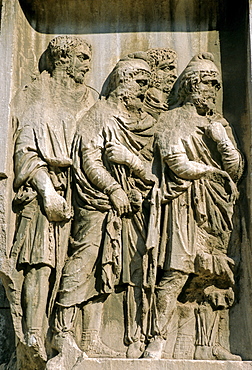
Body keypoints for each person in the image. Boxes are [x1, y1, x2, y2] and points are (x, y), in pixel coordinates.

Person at [48, 57, 159, 367]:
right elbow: (90, 160)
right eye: (140, 83)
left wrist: (131, 182)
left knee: (105, 270)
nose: (144, 90)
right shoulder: (99, 116)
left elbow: (148, 170)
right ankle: (61, 331)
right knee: (85, 261)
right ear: (123, 82)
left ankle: (90, 339)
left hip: (124, 208)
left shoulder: (138, 121)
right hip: (96, 203)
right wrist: (113, 188)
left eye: (147, 84)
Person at [143, 52, 244, 360]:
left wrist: (223, 142)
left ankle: (207, 346)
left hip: (217, 205)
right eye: (209, 83)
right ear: (192, 84)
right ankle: (156, 340)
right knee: (177, 272)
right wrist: (209, 170)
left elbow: (237, 169)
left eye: (216, 84)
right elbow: (174, 160)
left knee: (214, 277)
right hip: (183, 203)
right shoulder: (172, 119)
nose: (214, 90)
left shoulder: (218, 123)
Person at [11, 35, 96, 362]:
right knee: (41, 261)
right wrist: (47, 192)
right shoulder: (37, 97)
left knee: (77, 263)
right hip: (44, 190)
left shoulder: (88, 100)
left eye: (89, 59)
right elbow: (26, 153)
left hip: (80, 190)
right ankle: (33, 333)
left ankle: (67, 333)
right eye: (83, 58)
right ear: (63, 58)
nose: (88, 66)